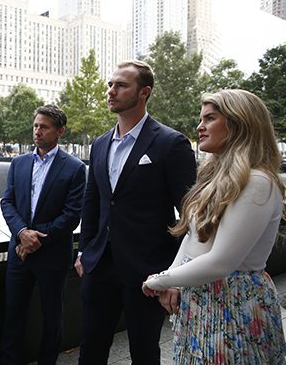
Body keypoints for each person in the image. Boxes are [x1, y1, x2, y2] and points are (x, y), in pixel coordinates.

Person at [143, 89, 286, 364]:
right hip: (203, 301)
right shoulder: (216, 178)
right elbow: (194, 237)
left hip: (233, 305)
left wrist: (160, 280)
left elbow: (222, 261)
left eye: (210, 118)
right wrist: (174, 278)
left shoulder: (257, 181)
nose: (200, 126)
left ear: (239, 124)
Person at [75, 60, 197, 364]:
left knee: (144, 351)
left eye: (121, 85)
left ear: (144, 92)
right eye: (110, 84)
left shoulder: (171, 143)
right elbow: (93, 202)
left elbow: (190, 213)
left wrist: (177, 271)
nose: (111, 91)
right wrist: (84, 251)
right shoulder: (101, 144)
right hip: (99, 264)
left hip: (149, 268)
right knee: (90, 347)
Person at [0, 104, 86, 365]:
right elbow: (7, 203)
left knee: (53, 317)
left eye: (44, 127)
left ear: (59, 131)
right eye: (36, 125)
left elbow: (72, 216)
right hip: (19, 255)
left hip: (52, 255)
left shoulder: (74, 168)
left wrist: (35, 239)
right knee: (13, 314)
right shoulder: (18, 163)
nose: (37, 131)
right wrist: (22, 232)